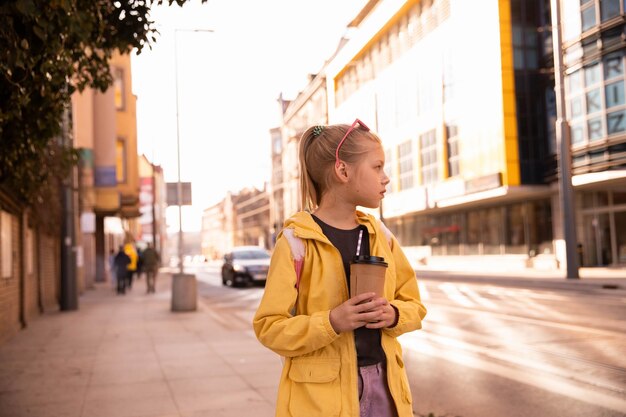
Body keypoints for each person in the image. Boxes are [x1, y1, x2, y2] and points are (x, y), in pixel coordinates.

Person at [253, 120, 427, 417]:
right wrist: (331, 321)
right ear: (343, 171)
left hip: (385, 387)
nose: (386, 178)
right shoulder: (297, 242)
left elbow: (414, 306)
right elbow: (269, 328)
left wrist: (394, 314)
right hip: (320, 399)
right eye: (377, 167)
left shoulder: (381, 236)